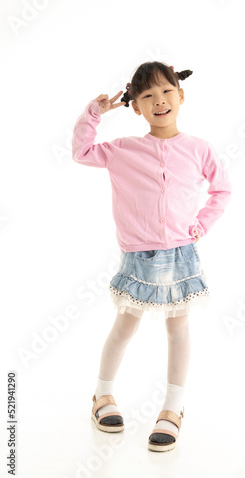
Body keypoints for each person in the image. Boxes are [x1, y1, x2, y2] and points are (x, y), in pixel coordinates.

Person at [71, 61, 232, 452]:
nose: (159, 101)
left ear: (181, 95)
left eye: (166, 91)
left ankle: (172, 409)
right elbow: (81, 151)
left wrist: (200, 226)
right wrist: (96, 112)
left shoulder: (199, 149)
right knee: (125, 327)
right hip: (139, 258)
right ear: (136, 106)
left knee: (178, 330)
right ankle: (103, 395)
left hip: (182, 255)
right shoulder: (122, 150)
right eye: (147, 96)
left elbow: (221, 191)